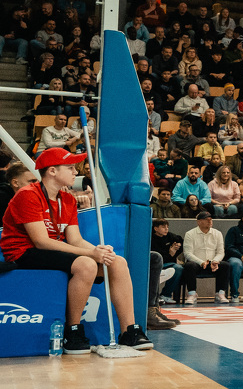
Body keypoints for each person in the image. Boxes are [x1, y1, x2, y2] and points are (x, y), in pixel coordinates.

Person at [1, 147, 150, 352]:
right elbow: (41, 242)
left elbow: (76, 240)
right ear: (52, 171)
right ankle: (72, 332)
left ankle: (129, 332)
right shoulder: (28, 195)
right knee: (86, 264)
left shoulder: (67, 199)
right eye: (70, 167)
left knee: (117, 262)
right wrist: (91, 254)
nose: (75, 172)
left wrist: (99, 251)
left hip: (52, 251)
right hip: (22, 251)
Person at [182, 210, 231, 303]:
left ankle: (220, 293)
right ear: (199, 222)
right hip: (197, 263)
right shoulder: (190, 234)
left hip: (212, 263)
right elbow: (188, 253)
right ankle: (192, 294)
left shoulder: (218, 233)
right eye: (206, 219)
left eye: (210, 219)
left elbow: (221, 252)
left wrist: (215, 261)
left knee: (225, 265)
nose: (209, 221)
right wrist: (201, 262)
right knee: (189, 266)